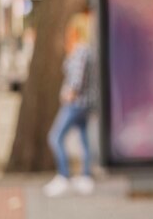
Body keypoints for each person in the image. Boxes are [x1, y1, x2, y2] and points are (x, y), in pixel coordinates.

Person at [43, 12, 96, 197]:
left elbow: (77, 77)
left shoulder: (81, 50)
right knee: (83, 139)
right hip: (85, 103)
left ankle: (63, 176)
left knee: (55, 136)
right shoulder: (86, 49)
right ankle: (85, 176)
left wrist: (69, 93)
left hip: (76, 103)